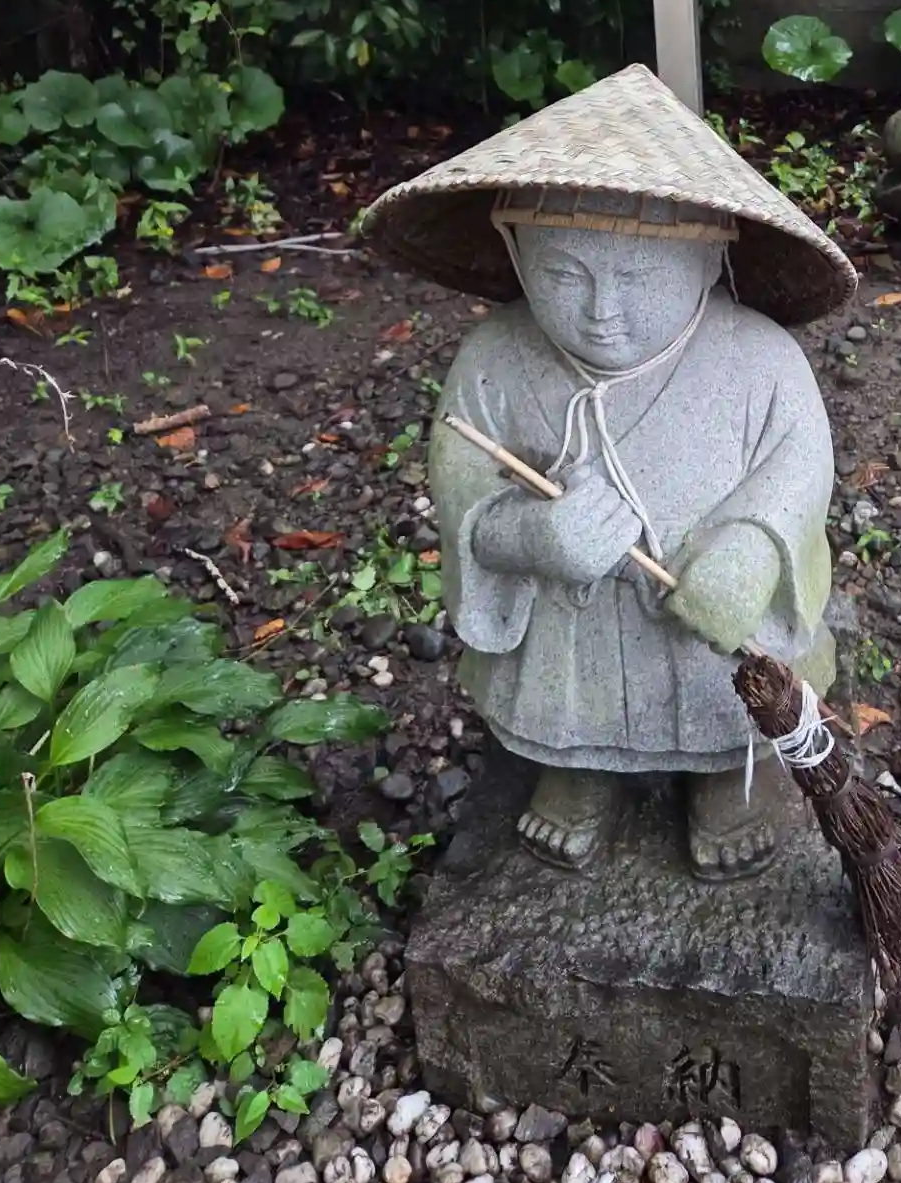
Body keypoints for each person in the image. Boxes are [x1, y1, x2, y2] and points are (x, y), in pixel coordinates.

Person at [360, 64, 856, 879]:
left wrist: (751, 549)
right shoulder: (495, 359)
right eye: (564, 274)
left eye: (637, 277)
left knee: (726, 678)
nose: (602, 310)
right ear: (516, 252)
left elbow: (799, 466)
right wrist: (531, 535)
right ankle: (578, 771)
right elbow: (462, 481)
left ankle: (724, 781)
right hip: (567, 617)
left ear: (710, 258)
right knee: (564, 700)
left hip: (705, 612)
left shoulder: (763, 362)